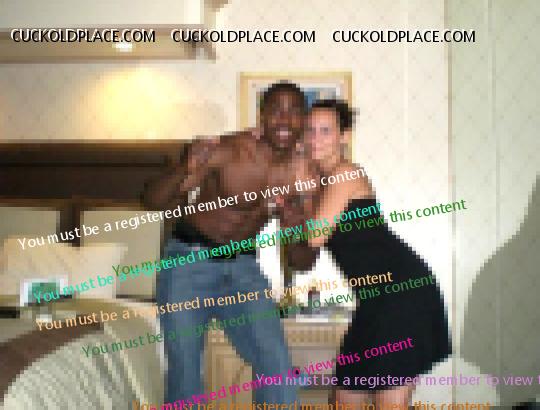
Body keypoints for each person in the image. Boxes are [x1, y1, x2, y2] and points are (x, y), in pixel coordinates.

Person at [144, 81, 311, 406]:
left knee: (276, 363)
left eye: (293, 111)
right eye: (276, 110)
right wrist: (184, 168)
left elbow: (301, 260)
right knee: (186, 374)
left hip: (244, 269)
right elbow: (152, 200)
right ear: (262, 115)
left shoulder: (300, 174)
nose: (284, 119)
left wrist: (295, 227)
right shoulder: (230, 152)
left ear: (303, 119)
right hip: (189, 262)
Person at [282, 99, 451, 407]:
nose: (315, 138)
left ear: (344, 136)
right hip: (374, 301)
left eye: (325, 130)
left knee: (389, 402)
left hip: (401, 294)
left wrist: (301, 190)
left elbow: (315, 236)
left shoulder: (345, 173)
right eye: (310, 130)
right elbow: (304, 257)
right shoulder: (323, 183)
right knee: (344, 397)